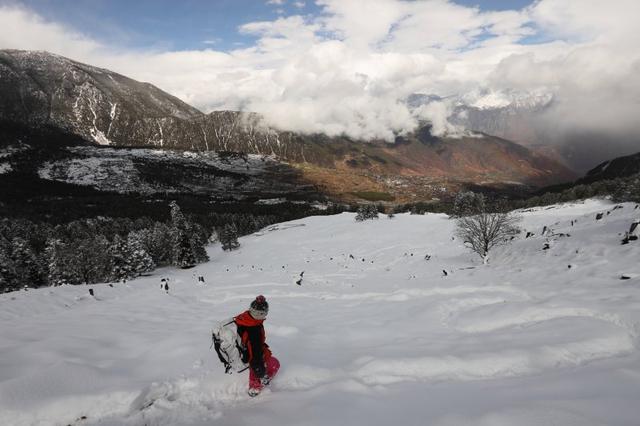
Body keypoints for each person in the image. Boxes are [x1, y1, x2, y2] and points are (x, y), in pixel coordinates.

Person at [234, 295, 280, 397]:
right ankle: (254, 387)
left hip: (243, 349)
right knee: (274, 363)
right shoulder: (254, 329)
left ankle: (257, 376)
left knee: (259, 360)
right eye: (263, 313)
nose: (264, 316)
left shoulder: (245, 318)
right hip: (248, 355)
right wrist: (261, 374)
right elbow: (254, 355)